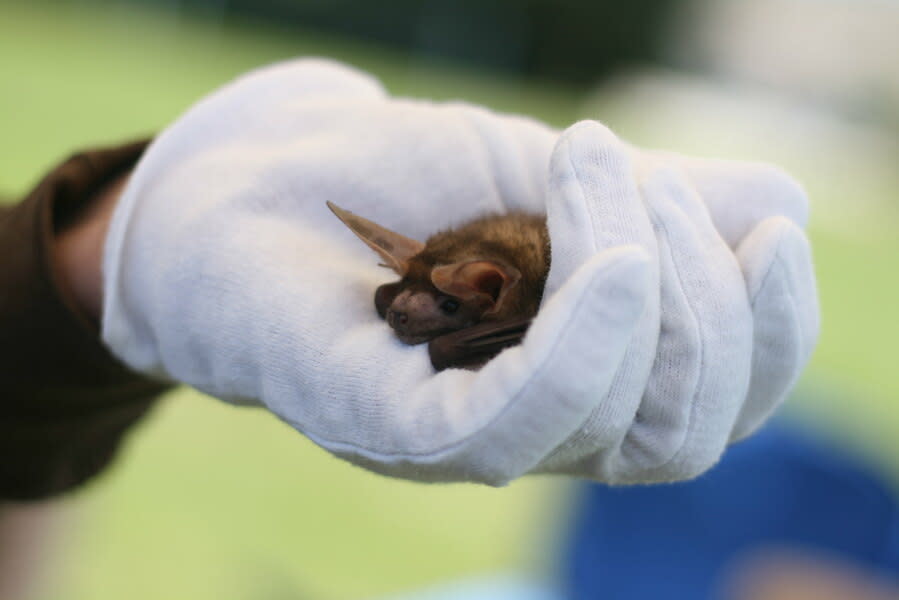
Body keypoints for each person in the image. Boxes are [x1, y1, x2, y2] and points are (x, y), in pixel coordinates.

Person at [1, 58, 819, 593]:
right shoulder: (438, 272)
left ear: (491, 292)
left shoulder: (508, 290)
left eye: (444, 305)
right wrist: (113, 251)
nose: (413, 310)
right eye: (413, 289)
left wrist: (89, 255)